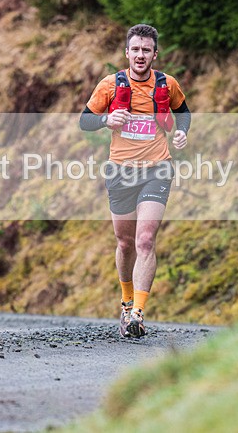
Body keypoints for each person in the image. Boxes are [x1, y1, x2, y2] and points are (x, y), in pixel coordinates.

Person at [79, 24, 191, 338]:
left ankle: (138, 315)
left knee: (145, 240)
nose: (140, 55)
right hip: (120, 172)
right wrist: (106, 119)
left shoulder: (167, 84)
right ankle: (126, 302)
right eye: (135, 49)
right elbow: (84, 120)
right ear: (127, 53)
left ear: (155, 54)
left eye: (146, 50)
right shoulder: (110, 85)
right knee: (125, 243)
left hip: (157, 169)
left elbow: (183, 112)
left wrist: (181, 131)